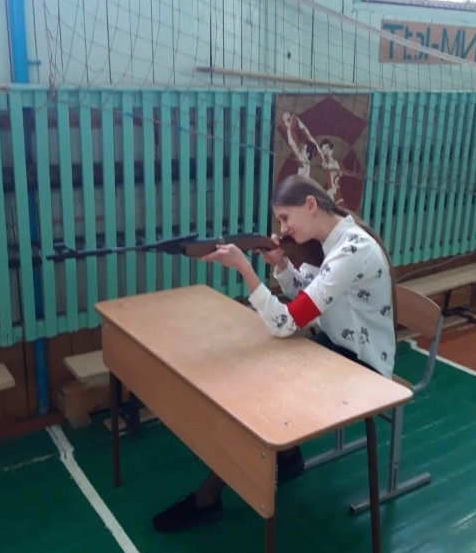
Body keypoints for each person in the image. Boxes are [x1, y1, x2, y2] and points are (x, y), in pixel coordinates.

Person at [152, 175, 396, 533]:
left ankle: (208, 497)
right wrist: (280, 264)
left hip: (364, 368)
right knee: (259, 378)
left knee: (263, 400)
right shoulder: (330, 242)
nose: (282, 229)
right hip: (334, 350)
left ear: (310, 205)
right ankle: (287, 458)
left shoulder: (351, 250)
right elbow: (307, 295)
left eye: (285, 217)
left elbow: (286, 322)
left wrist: (246, 269)